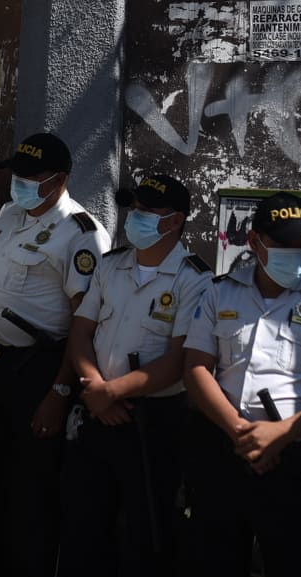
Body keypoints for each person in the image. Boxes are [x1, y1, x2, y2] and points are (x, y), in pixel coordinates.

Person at [182, 191, 301, 577]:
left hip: (291, 461)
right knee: (212, 560)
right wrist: (243, 434)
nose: (297, 253)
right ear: (255, 242)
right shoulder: (219, 292)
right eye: (285, 244)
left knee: (293, 561)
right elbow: (196, 369)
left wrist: (280, 434)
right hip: (224, 451)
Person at [0, 132, 107, 577]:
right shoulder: (7, 217)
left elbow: (85, 322)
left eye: (30, 176)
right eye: (15, 172)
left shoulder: (81, 232)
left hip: (37, 372)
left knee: (28, 494)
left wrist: (60, 391)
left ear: (59, 180)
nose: (18, 181)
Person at [57, 173, 209, 577]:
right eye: (134, 209)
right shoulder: (112, 265)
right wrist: (94, 389)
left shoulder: (194, 279)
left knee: (145, 532)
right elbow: (82, 330)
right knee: (84, 524)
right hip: (96, 409)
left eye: (146, 211)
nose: (134, 217)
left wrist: (112, 392)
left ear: (174, 221)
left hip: (153, 421)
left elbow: (179, 360)